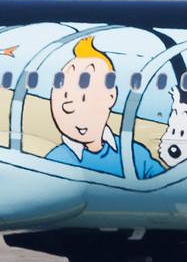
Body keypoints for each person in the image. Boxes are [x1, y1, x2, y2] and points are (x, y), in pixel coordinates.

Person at [44, 37, 160, 179]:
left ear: (111, 96)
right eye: (65, 94)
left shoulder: (135, 154)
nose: (69, 106)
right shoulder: (54, 161)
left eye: (83, 97)